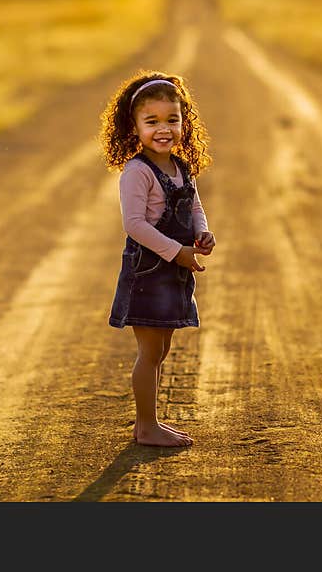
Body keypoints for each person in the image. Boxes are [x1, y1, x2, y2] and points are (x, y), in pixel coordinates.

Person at [99, 71, 215, 447]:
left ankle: (149, 423)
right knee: (149, 352)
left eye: (172, 120)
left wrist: (201, 232)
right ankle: (146, 426)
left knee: (161, 349)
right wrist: (175, 252)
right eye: (152, 122)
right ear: (134, 128)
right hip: (149, 270)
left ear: (184, 121)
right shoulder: (136, 171)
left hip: (174, 266)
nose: (163, 129)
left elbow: (194, 205)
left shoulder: (179, 166)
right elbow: (134, 224)